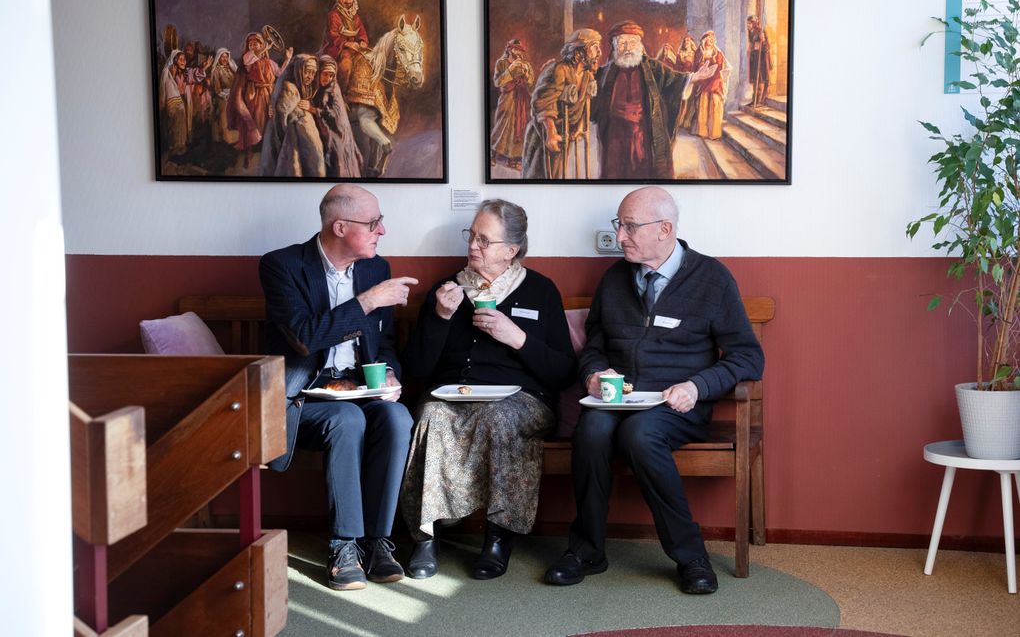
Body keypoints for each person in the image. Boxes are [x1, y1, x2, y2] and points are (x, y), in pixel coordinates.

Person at [544, 186, 764, 595]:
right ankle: (587, 549)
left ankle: (690, 556)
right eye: (619, 225)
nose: (620, 236)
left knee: (640, 435)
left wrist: (697, 386)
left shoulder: (712, 278)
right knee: (590, 432)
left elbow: (748, 358)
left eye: (629, 226)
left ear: (665, 229)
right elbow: (593, 346)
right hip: (617, 401)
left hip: (676, 406)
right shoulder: (614, 279)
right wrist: (593, 375)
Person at [400, 199, 576, 580]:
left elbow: (563, 371)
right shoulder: (446, 290)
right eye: (472, 236)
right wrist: (439, 318)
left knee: (500, 417)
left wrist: (518, 339)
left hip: (521, 400)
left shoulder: (540, 291)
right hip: (452, 395)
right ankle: (426, 536)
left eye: (484, 239)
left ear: (511, 250)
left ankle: (498, 537)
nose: (473, 246)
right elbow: (416, 369)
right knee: (430, 414)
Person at [259, 184, 418, 591]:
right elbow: (304, 338)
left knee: (397, 418)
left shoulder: (375, 269)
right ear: (340, 226)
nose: (382, 230)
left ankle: (378, 542)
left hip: (357, 390)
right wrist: (367, 302)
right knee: (346, 419)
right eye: (374, 223)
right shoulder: (281, 266)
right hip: (301, 398)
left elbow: (382, 344)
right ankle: (344, 545)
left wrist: (390, 374)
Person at [592, 20, 714, 180]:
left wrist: (693, 77)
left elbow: (674, 80)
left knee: (645, 171)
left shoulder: (652, 67)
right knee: (615, 173)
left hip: (643, 132)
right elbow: (589, 96)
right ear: (614, 46)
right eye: (622, 43)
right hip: (615, 135)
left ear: (640, 46)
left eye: (632, 42)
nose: (627, 48)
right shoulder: (604, 73)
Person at [521, 28, 602, 179]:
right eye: (595, 46)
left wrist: (578, 128)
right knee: (539, 174)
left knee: (557, 173)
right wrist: (551, 133)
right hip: (544, 133)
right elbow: (543, 102)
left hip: (565, 133)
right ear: (579, 51)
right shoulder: (559, 70)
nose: (599, 52)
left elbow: (585, 105)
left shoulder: (587, 76)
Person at [227, 32, 293, 167]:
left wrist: (287, 59)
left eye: (255, 44)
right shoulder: (248, 59)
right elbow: (249, 60)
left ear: (260, 44)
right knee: (257, 120)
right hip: (254, 94)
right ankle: (252, 149)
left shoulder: (269, 62)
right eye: (250, 44)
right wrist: (264, 48)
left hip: (269, 93)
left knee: (270, 120)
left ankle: (267, 149)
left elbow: (280, 74)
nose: (252, 46)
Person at [259, 54, 326, 177]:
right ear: (298, 70)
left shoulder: (300, 88)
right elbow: (280, 119)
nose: (310, 77)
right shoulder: (289, 88)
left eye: (313, 73)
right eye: (307, 72)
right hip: (291, 140)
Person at [312, 54, 363, 178]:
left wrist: (315, 111)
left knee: (337, 152)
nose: (328, 78)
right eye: (325, 74)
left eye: (331, 75)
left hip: (336, 132)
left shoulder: (334, 90)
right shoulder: (315, 89)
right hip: (322, 127)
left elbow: (336, 116)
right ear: (318, 73)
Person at [490, 39, 535, 170]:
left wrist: (527, 73)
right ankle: (493, 153)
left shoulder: (525, 64)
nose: (519, 53)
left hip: (522, 100)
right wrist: (511, 69)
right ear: (510, 50)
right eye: (516, 49)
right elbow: (498, 82)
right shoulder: (502, 63)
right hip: (507, 100)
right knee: (502, 127)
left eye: (521, 50)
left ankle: (515, 159)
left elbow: (531, 82)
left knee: (520, 128)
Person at [158, 49, 211, 159]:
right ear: (175, 60)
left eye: (184, 59)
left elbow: (195, 75)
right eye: (180, 59)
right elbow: (168, 88)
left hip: (184, 101)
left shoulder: (185, 72)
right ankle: (176, 150)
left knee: (185, 125)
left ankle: (182, 148)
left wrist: (204, 67)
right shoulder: (169, 72)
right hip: (174, 102)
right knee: (176, 124)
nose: (183, 62)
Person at [685, 31, 731, 140]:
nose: (711, 40)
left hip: (715, 81)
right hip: (703, 82)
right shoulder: (699, 52)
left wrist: (713, 62)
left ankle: (715, 132)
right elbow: (695, 66)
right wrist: (703, 66)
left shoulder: (717, 52)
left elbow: (721, 64)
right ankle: (703, 131)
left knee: (715, 104)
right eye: (709, 38)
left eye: (712, 38)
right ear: (704, 40)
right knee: (703, 104)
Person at [318, 0, 370, 95]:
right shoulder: (333, 15)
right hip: (335, 49)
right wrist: (347, 44)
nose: (348, 1)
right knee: (346, 64)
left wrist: (363, 41)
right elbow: (333, 36)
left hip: (353, 49)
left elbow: (362, 33)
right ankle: (340, 94)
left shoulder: (356, 17)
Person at [210, 48, 239, 146]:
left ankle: (239, 138)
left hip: (233, 94)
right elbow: (217, 90)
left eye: (226, 56)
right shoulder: (216, 71)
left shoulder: (231, 68)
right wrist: (227, 95)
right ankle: (228, 139)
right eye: (222, 56)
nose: (224, 58)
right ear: (218, 58)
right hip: (222, 96)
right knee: (225, 109)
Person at [746, 16, 771, 107]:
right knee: (754, 79)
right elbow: (753, 44)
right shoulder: (751, 32)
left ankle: (761, 99)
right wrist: (751, 48)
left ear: (754, 23)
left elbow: (767, 46)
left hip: (761, 60)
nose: (747, 25)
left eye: (749, 23)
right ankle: (754, 99)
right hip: (754, 59)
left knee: (761, 78)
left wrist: (763, 41)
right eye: (747, 23)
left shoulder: (760, 32)